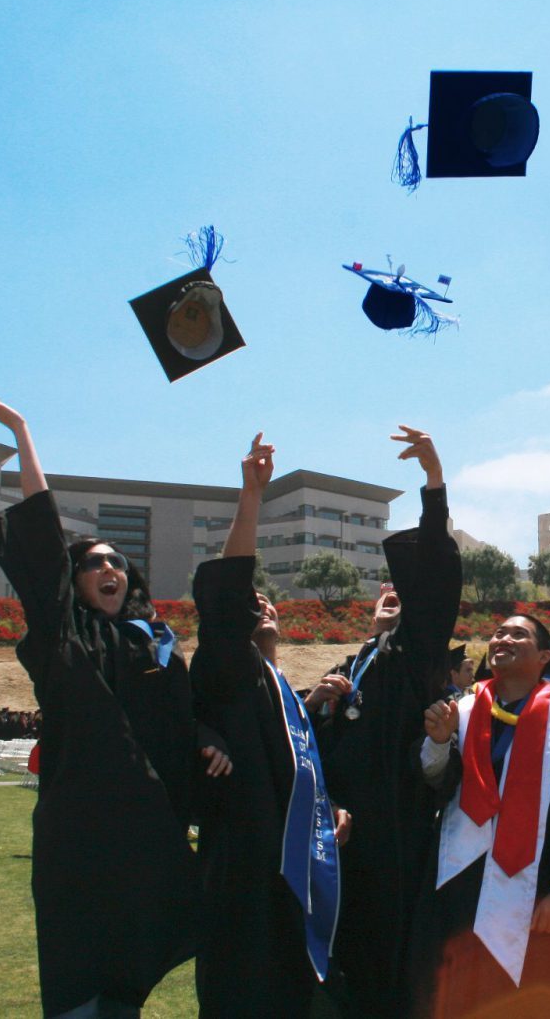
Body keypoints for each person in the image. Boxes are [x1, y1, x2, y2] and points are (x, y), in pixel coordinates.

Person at [0, 389, 230, 1019]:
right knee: (79, 976)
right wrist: (22, 433)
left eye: (116, 561)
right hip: (83, 835)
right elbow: (40, 545)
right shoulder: (65, 638)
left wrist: (205, 732)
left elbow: (176, 711)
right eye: (92, 564)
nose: (108, 568)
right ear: (75, 581)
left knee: (129, 975)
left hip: (147, 834)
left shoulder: (156, 644)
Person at [190, 430, 350, 1016]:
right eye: (252, 602)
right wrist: (251, 498)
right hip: (246, 875)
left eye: (268, 600)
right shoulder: (227, 669)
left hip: (294, 876)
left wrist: (326, 810)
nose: (263, 605)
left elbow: (297, 766)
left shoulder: (279, 686)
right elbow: (228, 601)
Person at [306, 426, 460, 1019]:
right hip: (347, 832)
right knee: (347, 953)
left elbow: (439, 586)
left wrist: (434, 483)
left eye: (406, 589)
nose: (394, 592)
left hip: (394, 828)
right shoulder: (357, 662)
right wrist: (319, 702)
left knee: (391, 958)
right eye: (387, 588)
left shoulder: (415, 653)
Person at [411, 610, 550, 1018]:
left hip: (538, 892)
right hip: (458, 884)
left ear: (544, 656)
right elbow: (436, 783)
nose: (502, 639)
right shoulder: (463, 709)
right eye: (498, 633)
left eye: (518, 635)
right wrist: (437, 743)